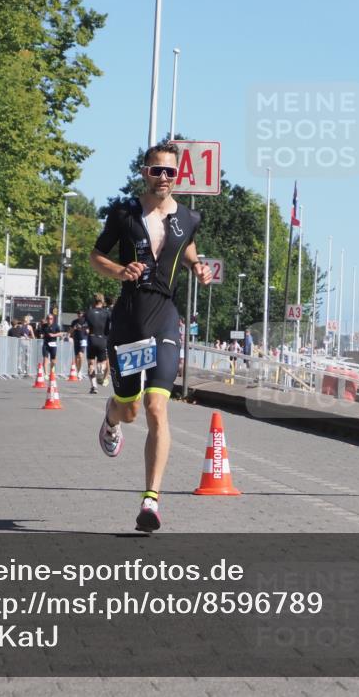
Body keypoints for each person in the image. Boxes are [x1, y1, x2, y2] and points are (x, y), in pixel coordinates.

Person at [89, 142, 212, 532]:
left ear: (178, 178)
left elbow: (187, 247)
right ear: (145, 172)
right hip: (128, 320)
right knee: (130, 409)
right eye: (157, 171)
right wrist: (118, 271)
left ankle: (151, 501)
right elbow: (96, 256)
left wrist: (198, 268)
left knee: (157, 407)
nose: (163, 178)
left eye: (170, 173)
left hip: (164, 317)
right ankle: (110, 419)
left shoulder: (189, 217)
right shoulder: (124, 214)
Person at [85, 293, 113, 394]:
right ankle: (100, 371)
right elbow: (111, 326)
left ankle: (94, 386)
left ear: (94, 301)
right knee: (103, 362)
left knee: (90, 364)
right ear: (102, 301)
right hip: (102, 339)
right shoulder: (106, 313)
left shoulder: (89, 312)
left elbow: (85, 326)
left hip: (92, 338)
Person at [70, 310, 89, 381]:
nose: (79, 315)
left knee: (80, 355)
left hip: (83, 339)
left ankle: (80, 371)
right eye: (78, 314)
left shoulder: (86, 321)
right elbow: (70, 331)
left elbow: (89, 331)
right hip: (76, 340)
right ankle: (78, 371)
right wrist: (74, 329)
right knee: (76, 357)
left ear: (83, 314)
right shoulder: (74, 322)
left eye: (80, 314)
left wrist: (84, 329)